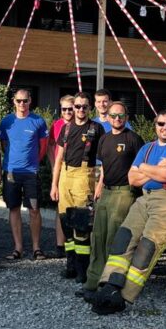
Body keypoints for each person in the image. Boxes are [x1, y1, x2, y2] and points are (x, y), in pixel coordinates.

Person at [91, 110, 166, 315]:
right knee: (123, 238)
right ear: (155, 125)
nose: (165, 128)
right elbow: (132, 179)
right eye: (161, 124)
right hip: (146, 198)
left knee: (147, 247)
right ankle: (109, 285)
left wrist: (145, 169)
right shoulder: (148, 148)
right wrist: (157, 167)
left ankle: (123, 297)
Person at [82, 101, 144, 298]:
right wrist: (98, 189)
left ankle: (108, 285)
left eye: (121, 116)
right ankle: (92, 283)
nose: (117, 119)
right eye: (114, 116)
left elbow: (142, 169)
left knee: (114, 239)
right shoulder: (104, 139)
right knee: (98, 238)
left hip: (124, 193)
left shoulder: (134, 139)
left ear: (126, 118)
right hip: (106, 193)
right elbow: (104, 168)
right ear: (107, 117)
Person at [50, 92, 104, 282]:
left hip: (84, 177)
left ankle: (83, 271)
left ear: (90, 108)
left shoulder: (96, 129)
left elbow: (102, 161)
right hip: (65, 176)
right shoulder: (65, 129)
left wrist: (99, 184)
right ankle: (70, 265)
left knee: (81, 225)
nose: (81, 110)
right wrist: (54, 185)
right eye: (78, 106)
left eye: (84, 107)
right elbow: (58, 158)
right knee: (66, 223)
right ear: (73, 108)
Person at [0, 88, 49, 260]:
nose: (22, 104)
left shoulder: (38, 121)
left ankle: (36, 247)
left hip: (31, 173)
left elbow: (43, 147)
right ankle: (18, 248)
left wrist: (33, 163)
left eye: (25, 101)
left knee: (34, 210)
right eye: (19, 101)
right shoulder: (6, 122)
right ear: (14, 101)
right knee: (14, 209)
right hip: (11, 172)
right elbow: (4, 144)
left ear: (30, 101)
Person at [49, 95, 75, 256]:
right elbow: (50, 145)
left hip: (76, 169)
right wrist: (53, 165)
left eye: (69, 109)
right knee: (61, 207)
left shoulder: (79, 125)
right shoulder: (57, 125)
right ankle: (60, 245)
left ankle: (74, 242)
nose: (67, 112)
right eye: (64, 109)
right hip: (60, 169)